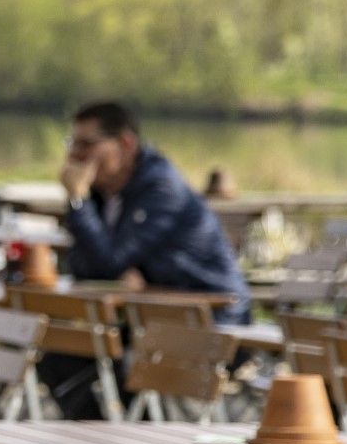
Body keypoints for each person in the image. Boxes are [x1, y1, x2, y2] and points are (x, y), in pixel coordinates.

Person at [59, 100, 249, 322]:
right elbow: (81, 264)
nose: (74, 155)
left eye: (86, 144)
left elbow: (107, 263)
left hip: (215, 316)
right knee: (60, 346)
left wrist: (78, 201)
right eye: (73, 143)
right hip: (154, 315)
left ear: (126, 144)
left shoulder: (162, 189)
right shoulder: (101, 193)